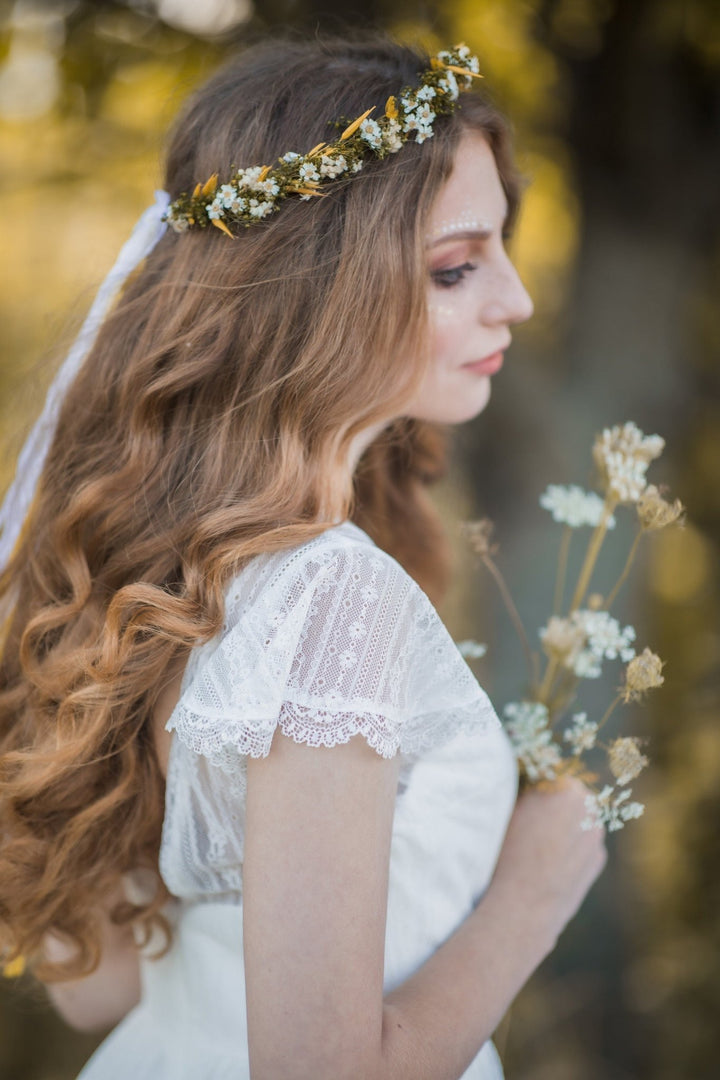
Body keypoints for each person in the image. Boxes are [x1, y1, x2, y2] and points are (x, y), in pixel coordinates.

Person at [0, 32, 607, 1080]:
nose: (516, 299)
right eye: (459, 267)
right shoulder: (332, 599)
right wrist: (533, 895)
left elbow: (97, 993)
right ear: (319, 289)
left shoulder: (156, 578)